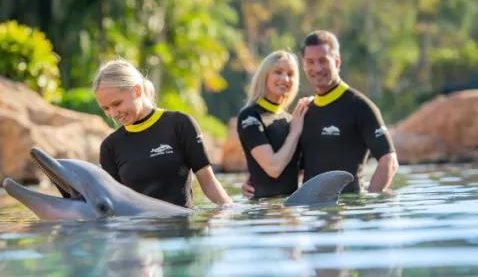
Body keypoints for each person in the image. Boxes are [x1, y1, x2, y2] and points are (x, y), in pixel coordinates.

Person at [243, 30, 398, 196]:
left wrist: (369, 202)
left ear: (337, 62)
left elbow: (389, 161)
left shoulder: (360, 106)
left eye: (323, 61)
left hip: (348, 212)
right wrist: (255, 181)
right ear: (304, 65)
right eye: (310, 62)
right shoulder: (304, 112)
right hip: (310, 213)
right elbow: (293, 165)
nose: (317, 68)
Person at [93, 59, 232, 208]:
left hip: (180, 228)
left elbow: (208, 181)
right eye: (106, 108)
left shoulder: (180, 124)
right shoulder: (110, 146)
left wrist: (228, 209)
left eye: (117, 103)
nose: (113, 113)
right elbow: (112, 201)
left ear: (137, 90)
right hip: (135, 228)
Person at [237, 50, 310, 198]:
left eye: (290, 74)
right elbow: (273, 168)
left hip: (291, 211)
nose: (285, 79)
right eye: (278, 72)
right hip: (263, 212)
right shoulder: (250, 116)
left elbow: (304, 169)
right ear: (265, 75)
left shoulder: (292, 120)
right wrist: (295, 132)